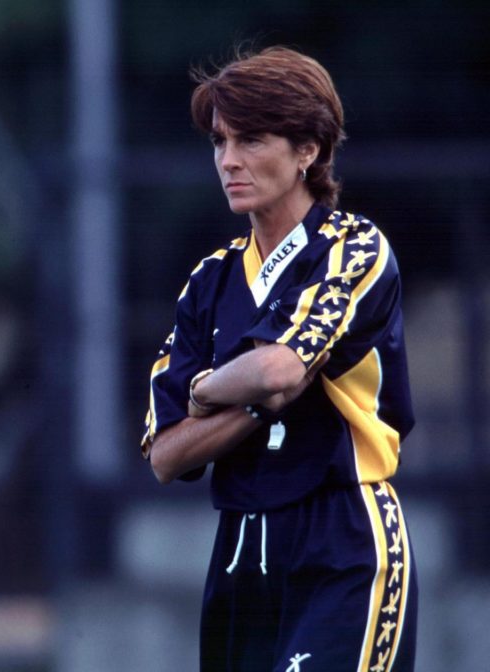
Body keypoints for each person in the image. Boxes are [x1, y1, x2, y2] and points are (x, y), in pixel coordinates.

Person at [141, 46, 417, 671]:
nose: (228, 160)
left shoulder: (352, 247)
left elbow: (278, 368)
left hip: (343, 532)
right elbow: (165, 455)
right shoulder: (209, 281)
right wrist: (255, 403)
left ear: (307, 151)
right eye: (220, 141)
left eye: (251, 140)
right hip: (241, 548)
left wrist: (207, 390)